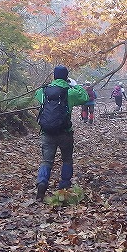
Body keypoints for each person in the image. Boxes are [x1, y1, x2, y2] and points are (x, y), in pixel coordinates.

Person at [34, 65, 89, 201]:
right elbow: (85, 97)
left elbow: (37, 96)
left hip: (47, 132)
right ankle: (64, 187)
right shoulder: (69, 92)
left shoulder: (44, 91)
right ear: (66, 77)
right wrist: (75, 85)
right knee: (67, 159)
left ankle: (42, 182)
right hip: (65, 132)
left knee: (46, 161)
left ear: (54, 76)